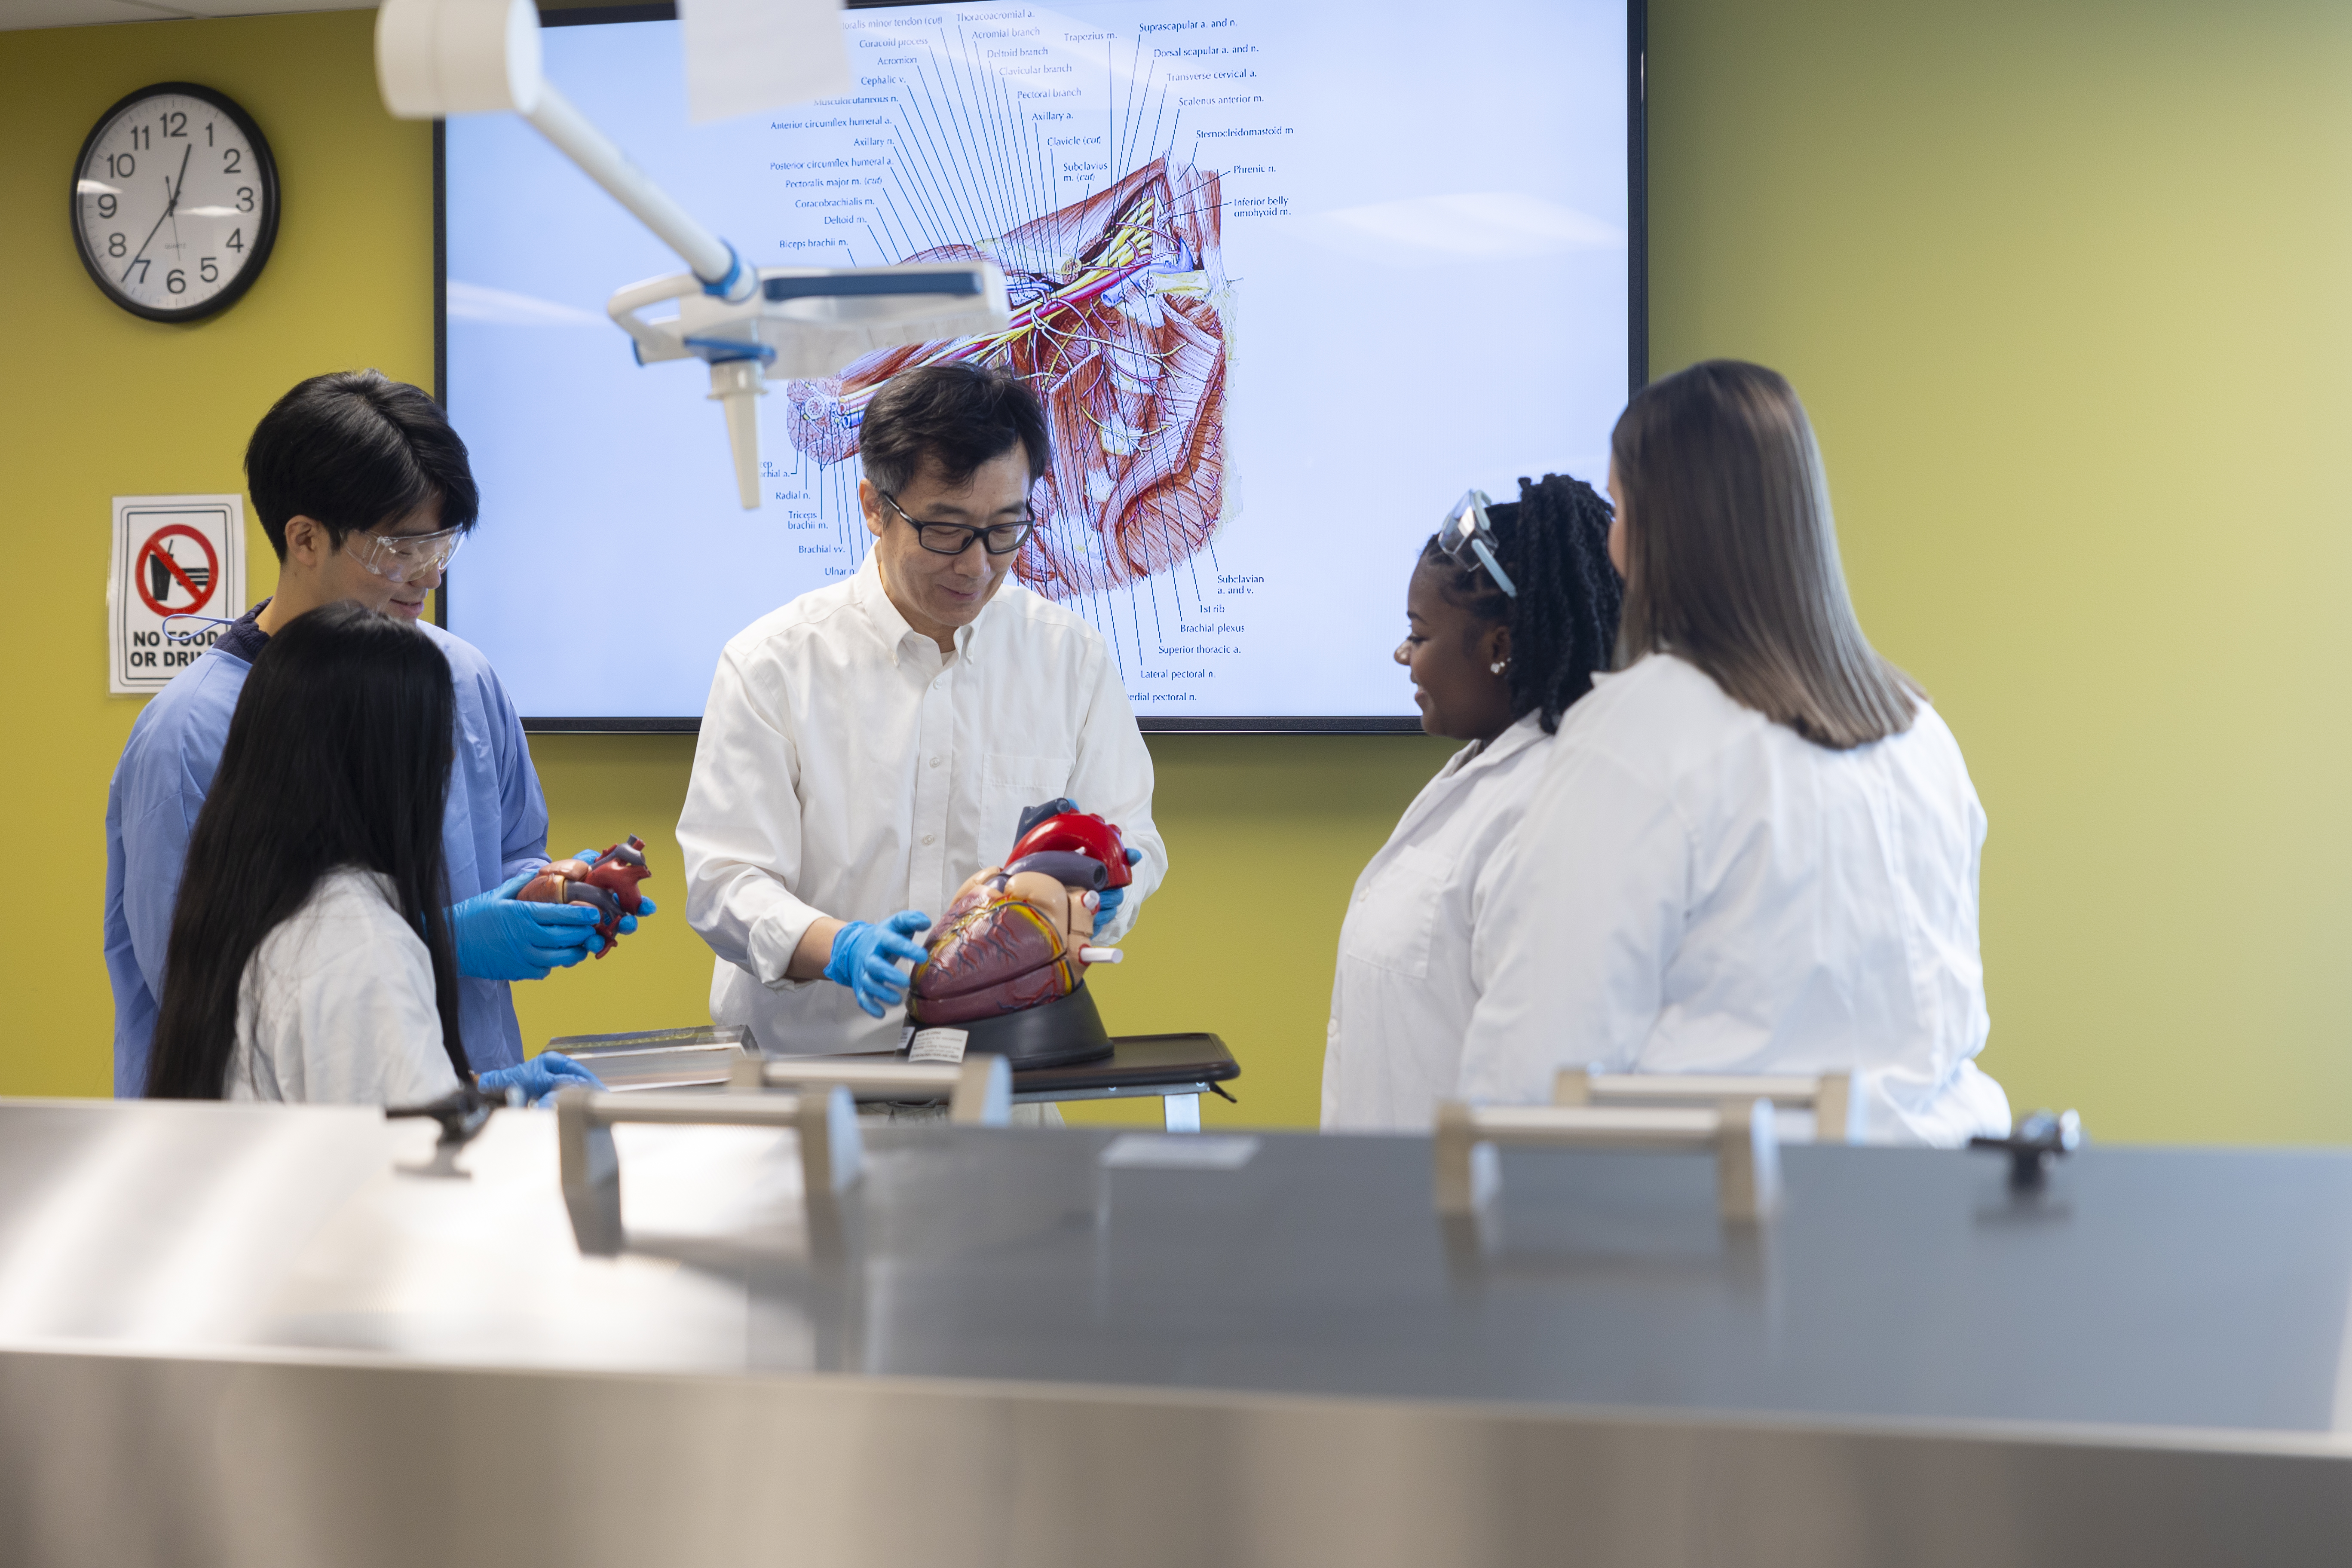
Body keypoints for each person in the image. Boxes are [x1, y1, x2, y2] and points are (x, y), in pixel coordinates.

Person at [1462, 361, 2010, 1145]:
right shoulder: (1918, 729)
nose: (1610, 543)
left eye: (1619, 509)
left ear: (1662, 531)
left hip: (1736, 1231)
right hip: (1934, 1207)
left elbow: (1535, 1064)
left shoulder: (1639, 733)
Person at [105, 371, 645, 1096]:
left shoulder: (458, 676)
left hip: (449, 1102)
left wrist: (550, 893)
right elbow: (208, 983)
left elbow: (511, 849)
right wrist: (434, 933)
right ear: (304, 539)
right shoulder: (190, 731)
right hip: (268, 1143)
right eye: (399, 545)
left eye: (441, 543)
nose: (425, 575)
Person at [678, 362, 1165, 1057]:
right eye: (945, 529)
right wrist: (834, 946)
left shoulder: (1068, 658)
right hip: (812, 1079)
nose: (976, 565)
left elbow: (1134, 835)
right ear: (874, 506)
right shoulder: (773, 664)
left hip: (1004, 1076)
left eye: (1005, 528)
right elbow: (724, 881)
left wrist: (1107, 888)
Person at [144, 603, 598, 1107]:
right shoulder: (362, 949)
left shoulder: (250, 904)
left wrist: (478, 1095)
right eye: (435, 741)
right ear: (379, 766)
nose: (448, 760)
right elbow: (411, 1163)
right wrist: (533, 1126)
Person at [1320, 477, 1622, 1132]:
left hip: (1476, 1208)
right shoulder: (1481, 772)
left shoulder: (1551, 811)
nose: (1403, 655)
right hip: (1401, 1194)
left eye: (1420, 636)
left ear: (1500, 648)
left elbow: (1542, 1076)